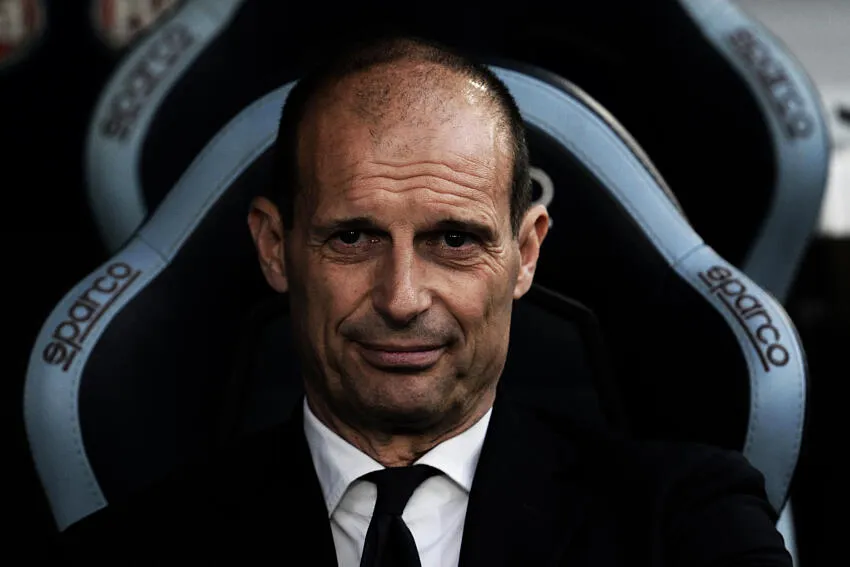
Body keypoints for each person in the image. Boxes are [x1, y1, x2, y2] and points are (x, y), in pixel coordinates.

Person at [59, 35, 791, 566]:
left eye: (453, 239)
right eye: (353, 237)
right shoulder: (131, 550)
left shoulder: (690, 523)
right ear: (275, 246)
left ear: (526, 252)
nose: (402, 297)